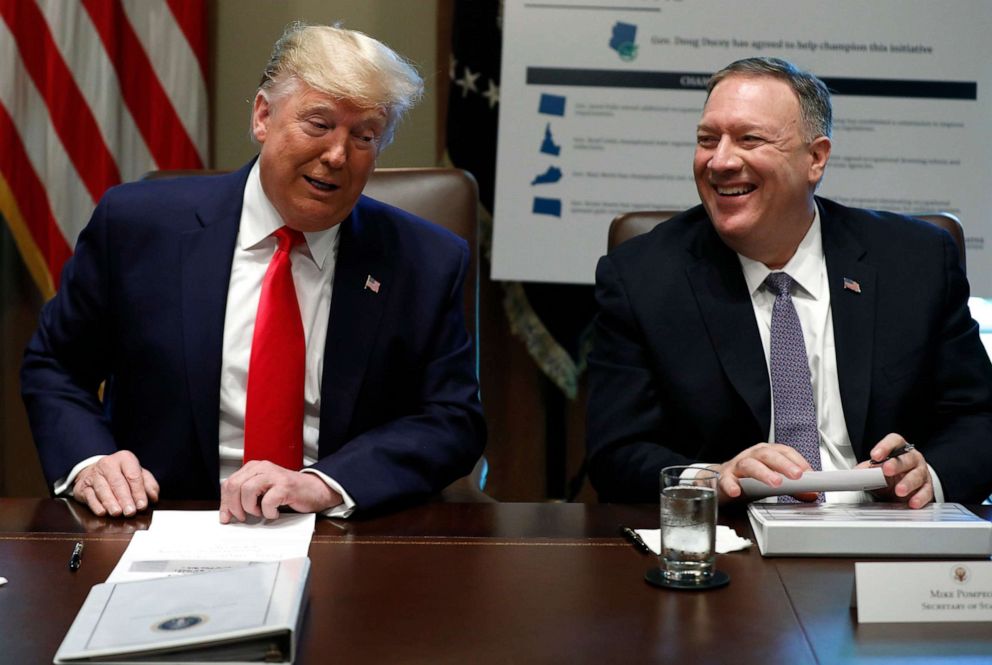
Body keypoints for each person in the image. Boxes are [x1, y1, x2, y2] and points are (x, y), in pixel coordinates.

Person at [21, 23, 485, 522]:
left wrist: (327, 484)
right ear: (263, 116)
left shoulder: (424, 261)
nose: (336, 154)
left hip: (336, 527)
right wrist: (91, 461)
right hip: (163, 517)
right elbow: (56, 366)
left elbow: (451, 419)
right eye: (318, 124)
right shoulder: (137, 228)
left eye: (364, 136)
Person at [587, 57, 992, 507]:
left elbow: (978, 419)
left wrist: (927, 477)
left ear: (815, 159)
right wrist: (713, 479)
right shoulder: (642, 277)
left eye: (749, 139)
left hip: (888, 533)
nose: (719, 161)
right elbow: (615, 454)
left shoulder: (915, 261)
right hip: (735, 542)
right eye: (707, 140)